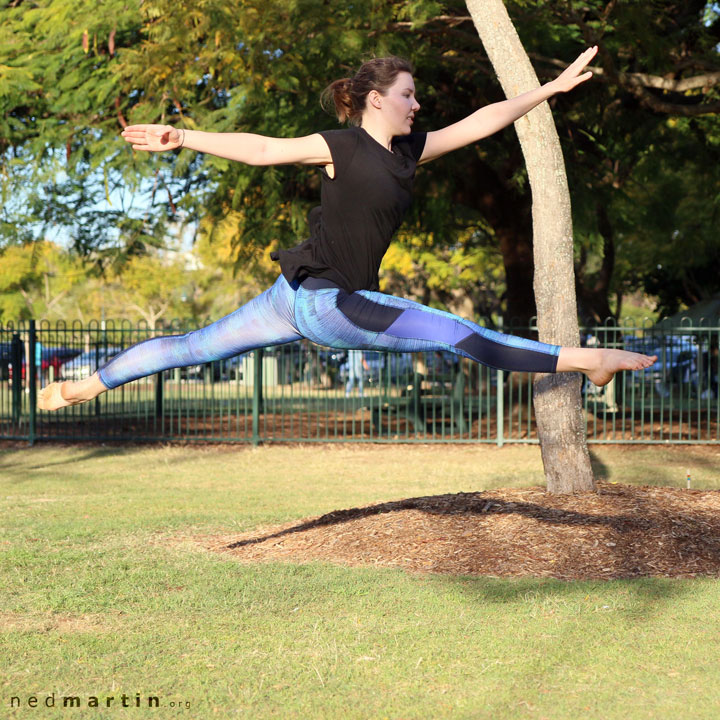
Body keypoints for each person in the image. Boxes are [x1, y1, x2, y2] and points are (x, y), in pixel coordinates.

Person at [38, 46, 656, 412]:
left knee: (191, 347)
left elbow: (484, 119)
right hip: (328, 305)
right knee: (460, 334)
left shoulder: (410, 151)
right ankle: (589, 359)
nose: (417, 104)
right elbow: (261, 150)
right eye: (408, 95)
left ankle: (83, 388)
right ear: (375, 99)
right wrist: (184, 137)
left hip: (295, 300)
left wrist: (547, 89)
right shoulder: (340, 145)